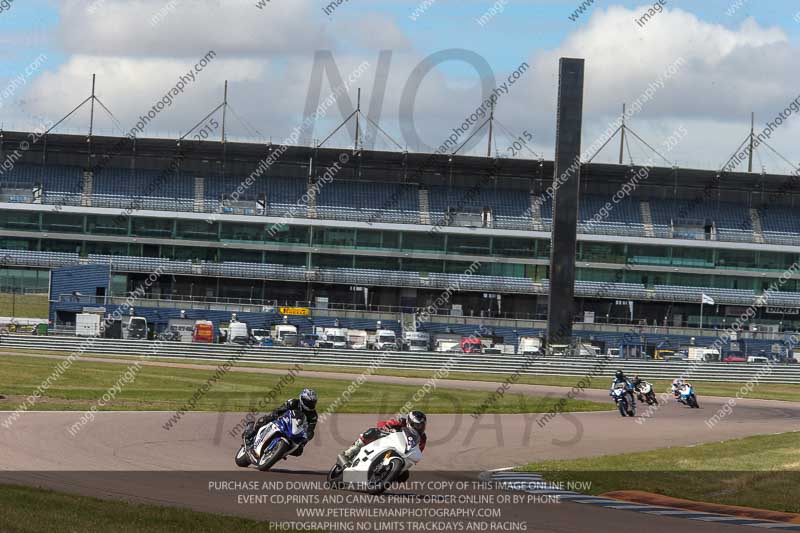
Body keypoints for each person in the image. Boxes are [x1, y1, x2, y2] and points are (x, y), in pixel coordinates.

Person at [244, 389, 318, 456]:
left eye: (312, 403)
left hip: (296, 430)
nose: (310, 405)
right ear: (302, 399)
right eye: (308, 402)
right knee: (264, 420)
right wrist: (274, 414)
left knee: (299, 451)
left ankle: (278, 452)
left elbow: (310, 429)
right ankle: (250, 434)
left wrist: (307, 437)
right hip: (284, 421)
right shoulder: (293, 402)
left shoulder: (313, 415)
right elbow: (281, 409)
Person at [338, 411, 427, 466]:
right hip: (386, 440)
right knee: (372, 431)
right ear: (409, 422)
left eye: (421, 425)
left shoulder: (422, 437)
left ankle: (383, 476)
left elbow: (418, 450)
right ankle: (349, 452)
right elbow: (382, 424)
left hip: (401, 452)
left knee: (404, 476)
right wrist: (387, 428)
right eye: (417, 425)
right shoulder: (401, 422)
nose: (419, 427)